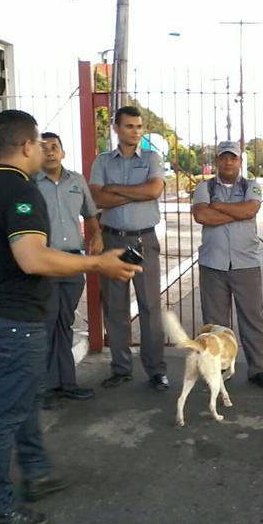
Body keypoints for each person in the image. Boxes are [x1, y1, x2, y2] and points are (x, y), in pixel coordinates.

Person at [0, 109, 141, 524]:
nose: (43, 152)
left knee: (23, 396)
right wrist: (97, 264)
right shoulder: (22, 192)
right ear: (26, 146)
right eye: (39, 145)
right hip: (14, 320)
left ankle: (35, 469)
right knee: (4, 414)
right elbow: (32, 258)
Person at [89, 106, 169, 392]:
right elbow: (97, 198)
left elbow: (153, 191)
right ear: (116, 128)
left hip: (144, 240)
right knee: (115, 307)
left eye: (138, 126)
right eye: (129, 126)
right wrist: (136, 192)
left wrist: (115, 189)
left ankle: (156, 370)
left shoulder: (151, 158)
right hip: (112, 240)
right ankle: (121, 368)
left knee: (150, 306)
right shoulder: (102, 161)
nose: (135, 131)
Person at [191, 141, 263, 388]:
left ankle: (258, 369)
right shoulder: (204, 187)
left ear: (240, 161)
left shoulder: (251, 186)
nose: (228, 162)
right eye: (223, 158)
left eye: (233, 158)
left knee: (252, 319)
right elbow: (202, 215)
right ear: (217, 161)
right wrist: (235, 212)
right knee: (215, 323)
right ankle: (216, 370)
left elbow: (250, 211)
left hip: (245, 263)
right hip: (212, 264)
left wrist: (218, 206)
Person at [34, 132, 102, 410]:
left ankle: (67, 383)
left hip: (73, 262)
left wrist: (96, 235)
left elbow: (90, 214)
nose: (50, 152)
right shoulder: (30, 184)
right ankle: (45, 387)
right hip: (45, 261)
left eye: (55, 147)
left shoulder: (77, 181)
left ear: (63, 152)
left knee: (65, 322)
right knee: (47, 322)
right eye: (44, 148)